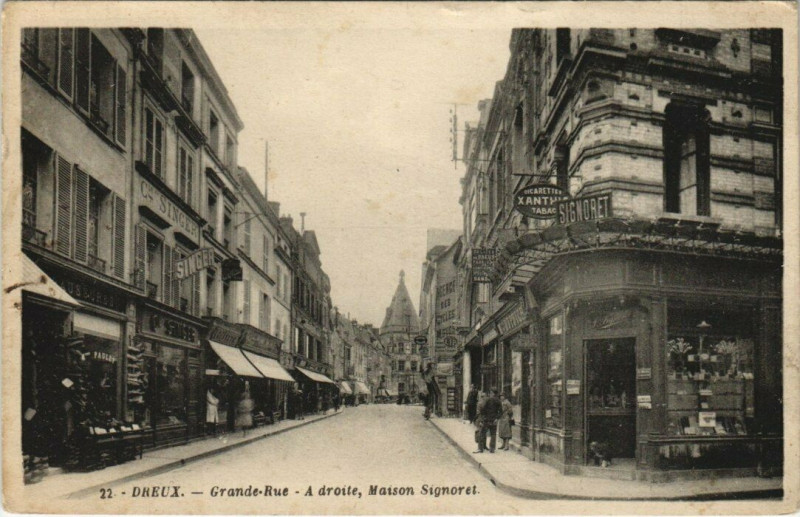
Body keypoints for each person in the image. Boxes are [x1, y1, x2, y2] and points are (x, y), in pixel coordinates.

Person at [475, 389, 502, 453]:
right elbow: (501, 412)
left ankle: (480, 448)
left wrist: (483, 418)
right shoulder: (498, 401)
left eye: (490, 393)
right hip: (494, 420)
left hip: (486, 420)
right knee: (493, 434)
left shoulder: (488, 400)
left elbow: (482, 409)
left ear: (492, 393)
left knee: (482, 433)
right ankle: (492, 449)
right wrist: (497, 418)